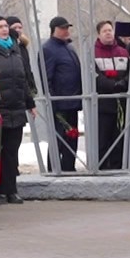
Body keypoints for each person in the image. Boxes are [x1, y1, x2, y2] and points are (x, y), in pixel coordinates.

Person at [0, 14, 35, 205]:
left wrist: (30, 103)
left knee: (12, 150)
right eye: (0, 26)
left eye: (5, 26)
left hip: (16, 106)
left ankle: (11, 189)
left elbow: (23, 77)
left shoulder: (15, 47)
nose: (4, 29)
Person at [42, 16, 82, 172]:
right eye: (63, 28)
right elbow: (47, 77)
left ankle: (69, 167)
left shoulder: (68, 47)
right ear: (54, 30)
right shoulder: (48, 49)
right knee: (58, 137)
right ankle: (55, 169)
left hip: (73, 100)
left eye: (67, 28)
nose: (66, 31)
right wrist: (52, 100)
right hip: (59, 103)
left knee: (72, 137)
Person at [93, 21, 130, 169]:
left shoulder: (123, 52)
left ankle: (117, 166)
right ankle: (102, 167)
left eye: (110, 30)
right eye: (105, 31)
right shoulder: (94, 52)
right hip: (103, 103)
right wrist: (113, 86)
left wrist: (123, 84)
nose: (108, 33)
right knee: (103, 138)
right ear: (99, 34)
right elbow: (95, 75)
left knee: (119, 137)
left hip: (120, 102)